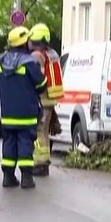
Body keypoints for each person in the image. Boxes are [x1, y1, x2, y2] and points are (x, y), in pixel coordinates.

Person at [0, 26, 46, 189]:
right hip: (26, 112)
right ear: (23, 43)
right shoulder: (29, 63)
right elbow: (41, 85)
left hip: (7, 112)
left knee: (8, 143)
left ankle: (8, 177)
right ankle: (26, 178)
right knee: (25, 143)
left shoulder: (1, 63)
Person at [27, 23, 63, 176]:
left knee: (39, 131)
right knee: (45, 131)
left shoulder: (37, 56)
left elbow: (37, 77)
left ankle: (40, 163)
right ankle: (45, 161)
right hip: (51, 98)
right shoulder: (53, 53)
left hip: (42, 98)